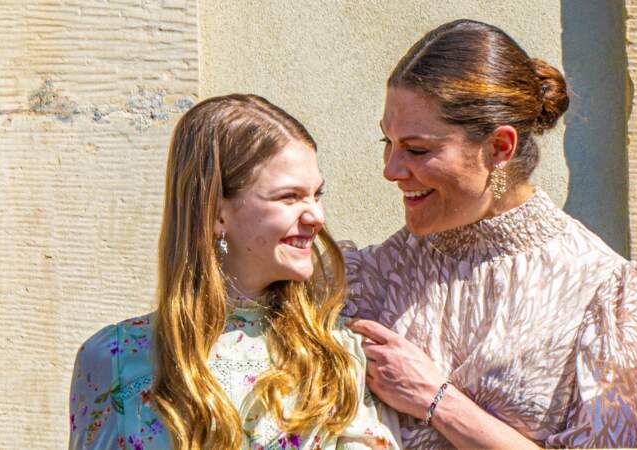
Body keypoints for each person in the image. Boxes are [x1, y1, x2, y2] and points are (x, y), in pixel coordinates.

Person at [344, 19, 637, 449]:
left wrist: (437, 400)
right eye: (386, 141)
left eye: (417, 149)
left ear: (500, 148)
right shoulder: (376, 272)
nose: (391, 170)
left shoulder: (605, 293)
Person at [68, 95, 401, 449]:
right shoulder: (114, 357)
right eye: (289, 197)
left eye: (317, 194)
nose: (316, 216)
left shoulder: (335, 356)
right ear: (216, 212)